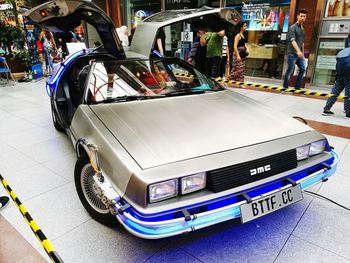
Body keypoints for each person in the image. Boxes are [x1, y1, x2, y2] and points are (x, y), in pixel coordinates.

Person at [283, 9, 307, 90]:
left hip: (299, 54)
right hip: (292, 53)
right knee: (290, 70)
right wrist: (298, 51)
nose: (303, 18)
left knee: (303, 68)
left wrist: (302, 53)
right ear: (297, 16)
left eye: (304, 16)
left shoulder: (303, 29)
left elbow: (302, 42)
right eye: (301, 16)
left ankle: (297, 86)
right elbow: (293, 41)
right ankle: (285, 87)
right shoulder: (292, 27)